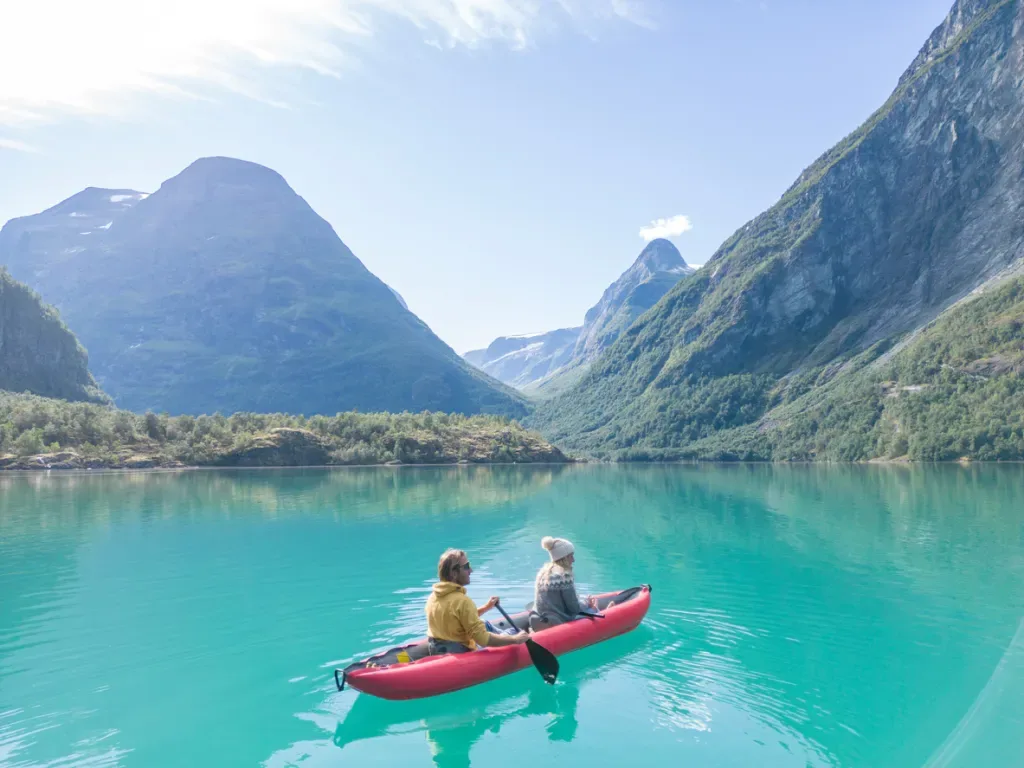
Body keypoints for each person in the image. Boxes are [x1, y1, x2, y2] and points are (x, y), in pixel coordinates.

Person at [425, 548, 531, 655]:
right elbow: (482, 639)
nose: (471, 570)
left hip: (439, 649)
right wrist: (515, 639)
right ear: (454, 573)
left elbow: (457, 619)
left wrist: (487, 607)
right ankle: (528, 635)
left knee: (483, 623)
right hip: (460, 653)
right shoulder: (462, 601)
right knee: (513, 632)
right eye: (466, 567)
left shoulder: (433, 597)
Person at [531, 536, 600, 631]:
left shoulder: (542, 573)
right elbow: (574, 609)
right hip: (556, 623)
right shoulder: (564, 575)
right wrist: (588, 603)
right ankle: (605, 610)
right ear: (564, 558)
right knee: (593, 612)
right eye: (571, 556)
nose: (573, 560)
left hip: (537, 621)